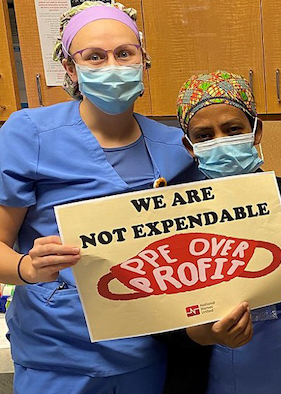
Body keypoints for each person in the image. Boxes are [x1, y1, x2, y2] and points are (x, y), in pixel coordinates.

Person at [0, 2, 200, 393]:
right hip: (58, 358)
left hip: (149, 353)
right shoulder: (29, 135)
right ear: (71, 70)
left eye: (125, 53)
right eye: (94, 56)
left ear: (144, 62)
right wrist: (27, 268)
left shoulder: (174, 147)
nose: (112, 66)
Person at [157, 71, 281, 394]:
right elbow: (150, 317)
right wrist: (204, 334)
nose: (220, 142)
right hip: (205, 381)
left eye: (233, 130)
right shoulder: (170, 214)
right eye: (204, 136)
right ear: (189, 147)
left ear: (256, 131)